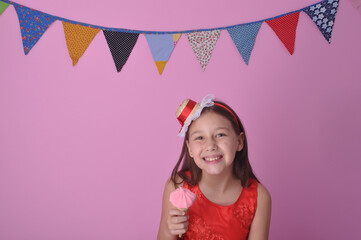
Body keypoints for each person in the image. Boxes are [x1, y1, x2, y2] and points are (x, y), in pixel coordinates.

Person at [157, 94, 271, 240]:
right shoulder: (177, 186)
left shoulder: (259, 197)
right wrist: (169, 229)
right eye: (199, 138)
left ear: (239, 141)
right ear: (190, 148)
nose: (210, 145)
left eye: (220, 135)